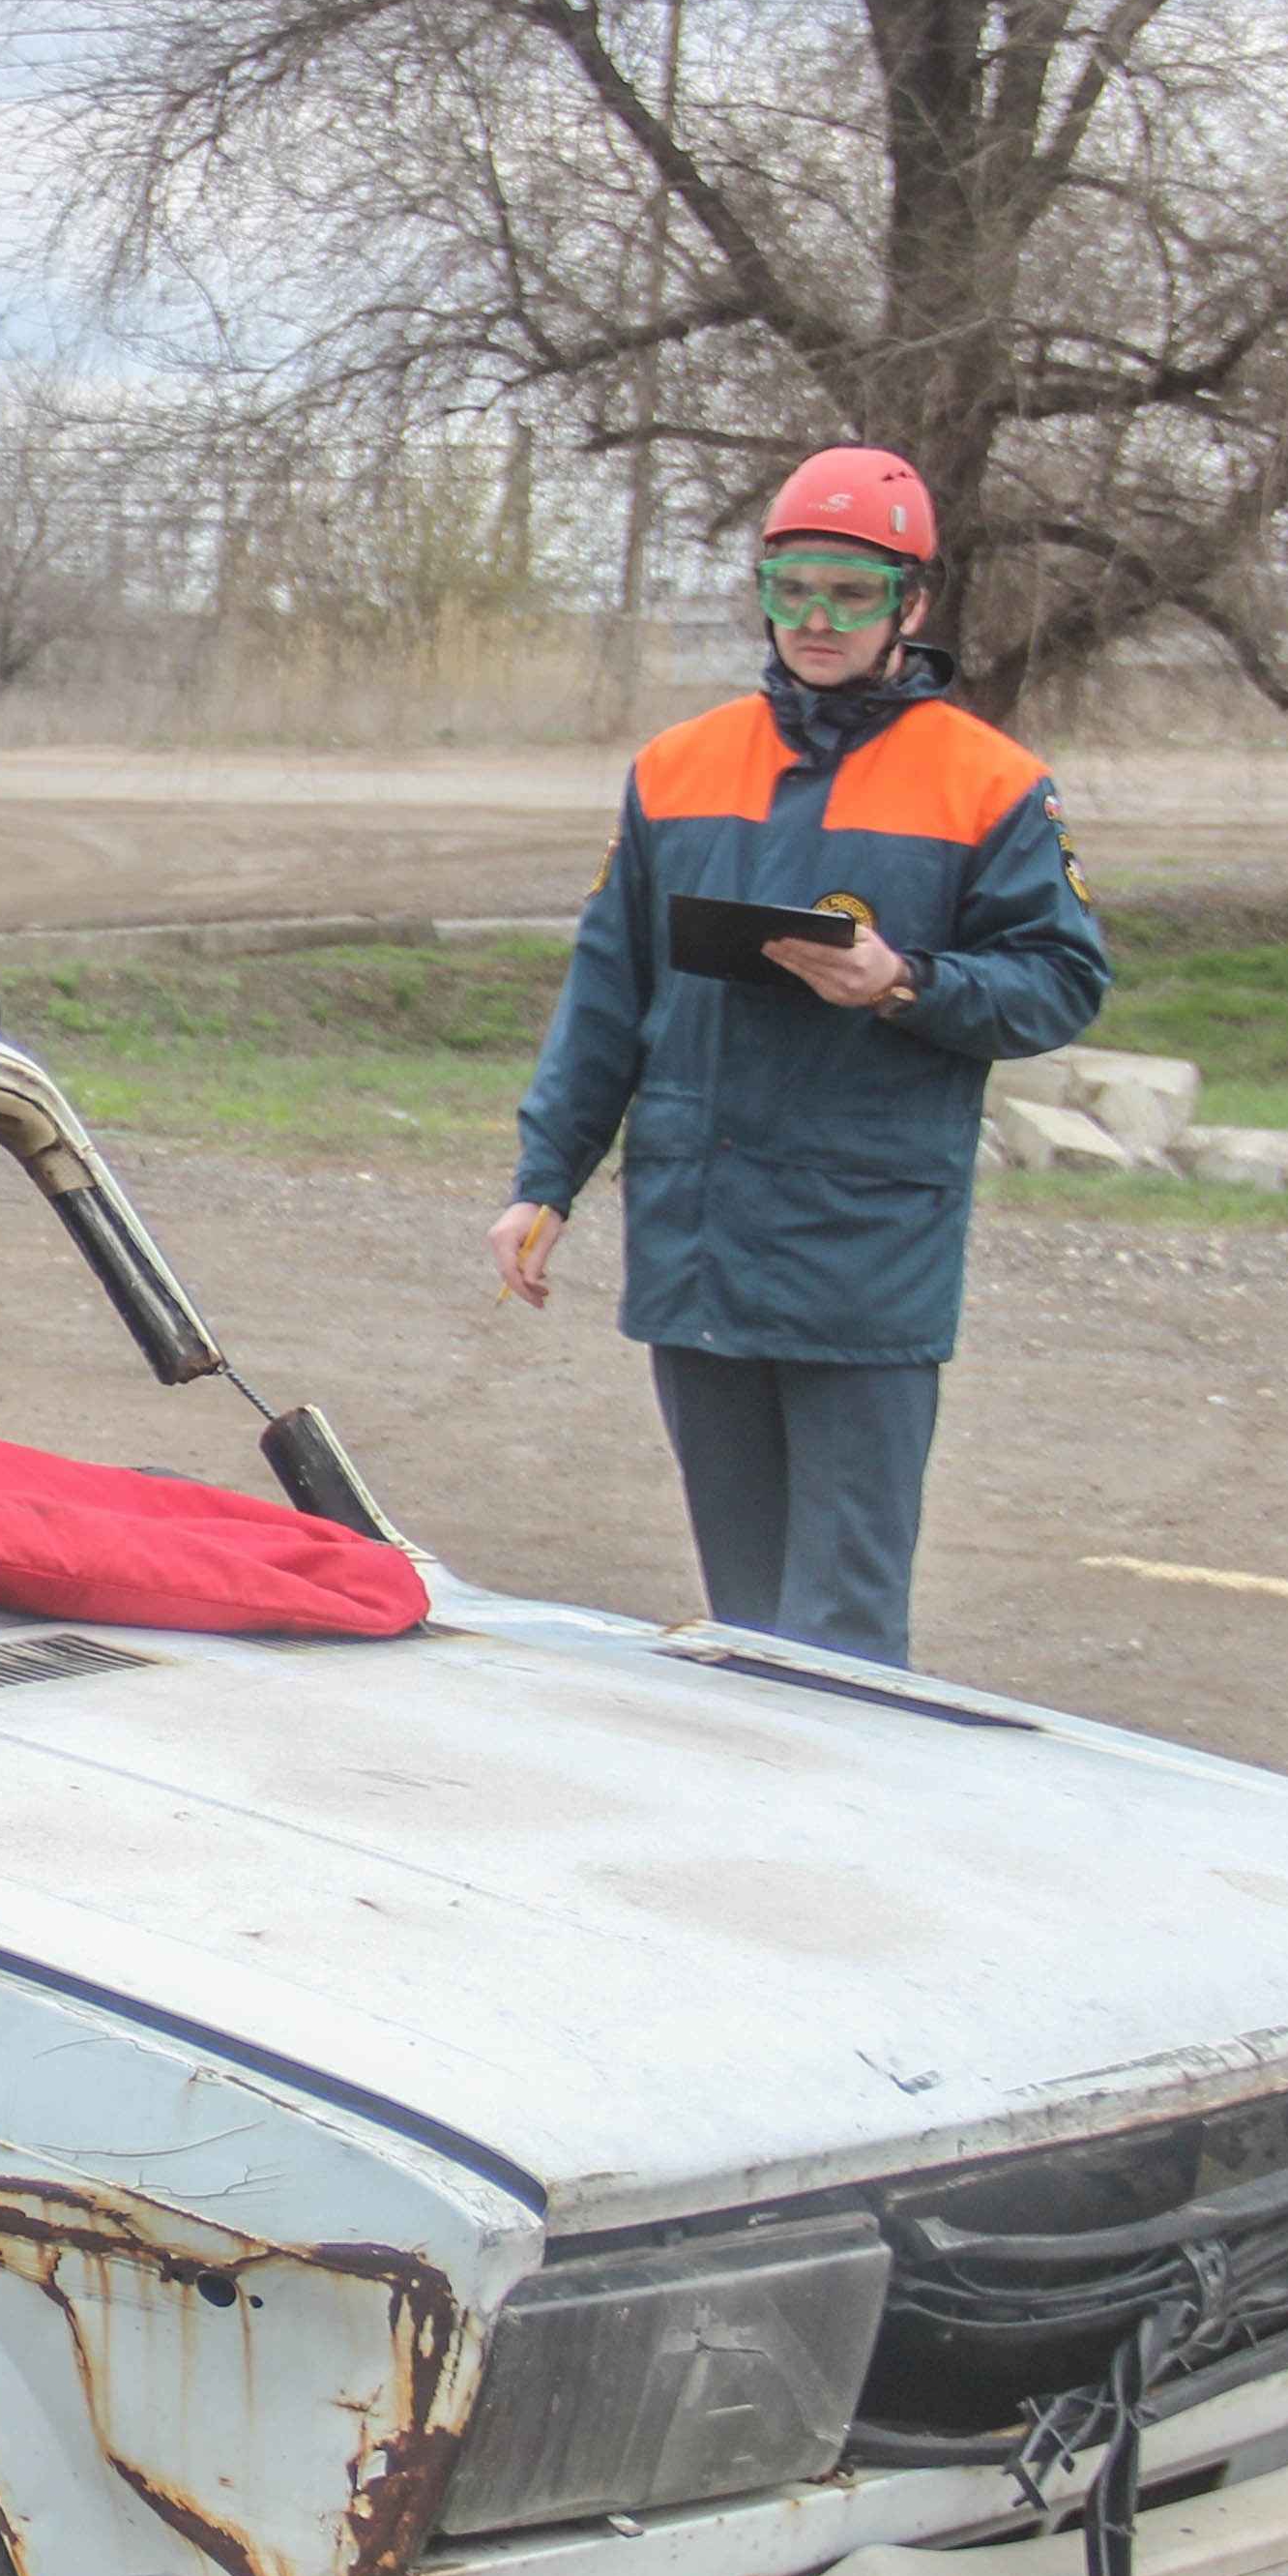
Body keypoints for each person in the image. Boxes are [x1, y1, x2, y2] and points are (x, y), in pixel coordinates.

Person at [488, 445, 1108, 1669]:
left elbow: (1060, 981)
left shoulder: (989, 783)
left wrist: (908, 982)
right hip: (699, 1235)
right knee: (746, 1616)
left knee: (843, 1627)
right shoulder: (675, 768)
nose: (817, 618)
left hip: (863, 1250)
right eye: (791, 586)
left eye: (851, 592)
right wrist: (542, 1179)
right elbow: (607, 992)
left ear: (911, 604)